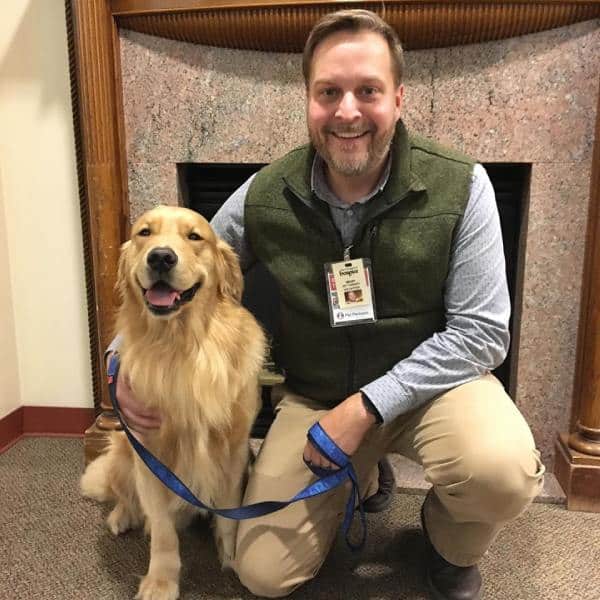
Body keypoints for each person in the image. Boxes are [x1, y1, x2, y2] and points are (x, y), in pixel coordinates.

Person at [109, 9, 545, 599]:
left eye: (368, 90)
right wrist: (120, 365)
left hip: (435, 392)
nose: (347, 111)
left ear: (398, 99)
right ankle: (362, 476)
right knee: (263, 574)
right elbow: (184, 269)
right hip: (315, 397)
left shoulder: (463, 186)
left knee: (500, 471)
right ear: (308, 101)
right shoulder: (266, 192)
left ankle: (449, 546)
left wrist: (366, 407)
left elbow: (483, 334)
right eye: (328, 92)